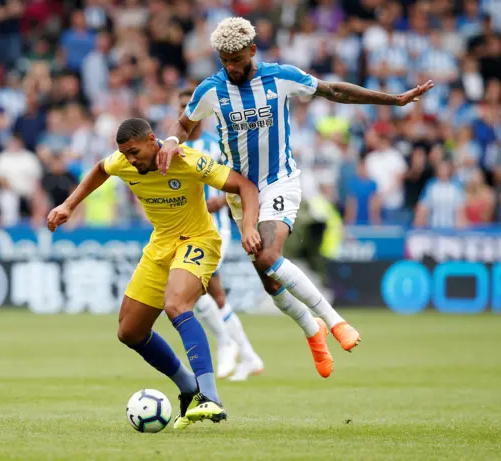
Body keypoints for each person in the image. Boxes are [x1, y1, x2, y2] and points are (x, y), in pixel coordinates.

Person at [157, 17, 435, 377]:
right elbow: (184, 122)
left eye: (236, 59)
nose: (231, 67)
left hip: (279, 180)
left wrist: (393, 101)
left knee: (269, 254)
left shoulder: (280, 77)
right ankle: (311, 329)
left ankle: (334, 322)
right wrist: (171, 141)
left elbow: (333, 90)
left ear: (252, 51)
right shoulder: (210, 89)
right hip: (240, 191)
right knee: (267, 274)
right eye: (224, 60)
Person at [46, 118, 261, 430]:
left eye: (135, 152)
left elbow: (244, 185)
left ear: (152, 140)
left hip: (198, 240)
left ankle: (210, 397)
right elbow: (99, 170)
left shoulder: (187, 160)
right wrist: (69, 205)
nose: (131, 160)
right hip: (161, 245)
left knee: (176, 305)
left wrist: (248, 226)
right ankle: (188, 387)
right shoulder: (123, 162)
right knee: (130, 332)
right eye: (125, 154)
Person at [178, 88, 264, 382]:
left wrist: (222, 201)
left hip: (215, 229)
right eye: (182, 108)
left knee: (199, 290)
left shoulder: (216, 146)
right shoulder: (173, 147)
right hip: (186, 230)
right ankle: (248, 355)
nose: (187, 113)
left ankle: (227, 345)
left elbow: (242, 182)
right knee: (212, 295)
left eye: (190, 106)